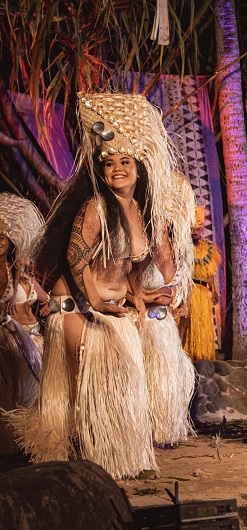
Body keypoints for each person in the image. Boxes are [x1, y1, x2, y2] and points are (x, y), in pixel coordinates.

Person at [6, 91, 178, 478]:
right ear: (99, 170)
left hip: (107, 312)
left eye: (125, 162)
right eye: (109, 163)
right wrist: (96, 300)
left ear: (139, 168)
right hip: (77, 312)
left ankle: (100, 465)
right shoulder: (96, 207)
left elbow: (130, 268)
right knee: (97, 388)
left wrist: (137, 296)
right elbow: (74, 257)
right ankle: (87, 469)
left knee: (117, 387)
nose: (117, 168)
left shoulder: (137, 211)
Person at [138, 173, 196, 446]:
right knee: (144, 385)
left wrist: (181, 303)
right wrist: (145, 295)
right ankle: (141, 436)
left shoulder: (180, 250)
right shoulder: (139, 246)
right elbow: (118, 284)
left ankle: (162, 432)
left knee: (172, 381)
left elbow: (181, 288)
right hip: (139, 325)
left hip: (165, 327)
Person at [0, 194, 44, 454]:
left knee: (23, 391)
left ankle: (17, 443)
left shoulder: (16, 272)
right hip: (7, 336)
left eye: (2, 239)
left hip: (19, 336)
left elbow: (45, 300)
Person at [182, 206, 222, 361]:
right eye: (191, 228)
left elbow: (210, 272)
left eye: (196, 229)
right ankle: (186, 356)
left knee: (201, 325)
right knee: (186, 324)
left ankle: (202, 358)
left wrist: (214, 290)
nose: (194, 231)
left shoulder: (209, 248)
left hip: (202, 292)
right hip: (186, 292)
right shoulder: (182, 247)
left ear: (201, 229)